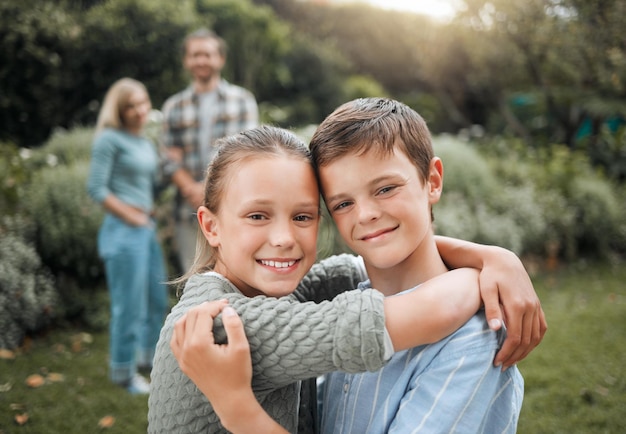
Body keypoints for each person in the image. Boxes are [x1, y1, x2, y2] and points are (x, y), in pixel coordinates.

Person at [149, 125, 545, 433]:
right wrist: (489, 270)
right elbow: (439, 305)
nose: (284, 239)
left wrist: (494, 257)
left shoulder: (276, 293)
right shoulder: (226, 322)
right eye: (257, 216)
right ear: (211, 226)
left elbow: (373, 258)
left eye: (302, 216)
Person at [86, 78, 169, 395]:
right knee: (128, 306)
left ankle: (147, 360)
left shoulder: (144, 142)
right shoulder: (109, 140)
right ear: (119, 110)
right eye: (130, 106)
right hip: (122, 233)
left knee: (155, 299)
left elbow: (148, 186)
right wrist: (132, 214)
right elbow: (96, 188)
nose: (139, 111)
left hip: (145, 232)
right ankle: (123, 373)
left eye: (143, 103)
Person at [160, 27, 259, 272]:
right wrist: (192, 189)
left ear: (220, 59)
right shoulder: (174, 106)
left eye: (207, 54)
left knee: (235, 277)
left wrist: (207, 187)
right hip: (188, 212)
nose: (201, 60)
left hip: (232, 211)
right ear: (186, 60)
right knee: (194, 278)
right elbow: (168, 157)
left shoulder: (242, 101)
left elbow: (246, 153)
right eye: (195, 55)